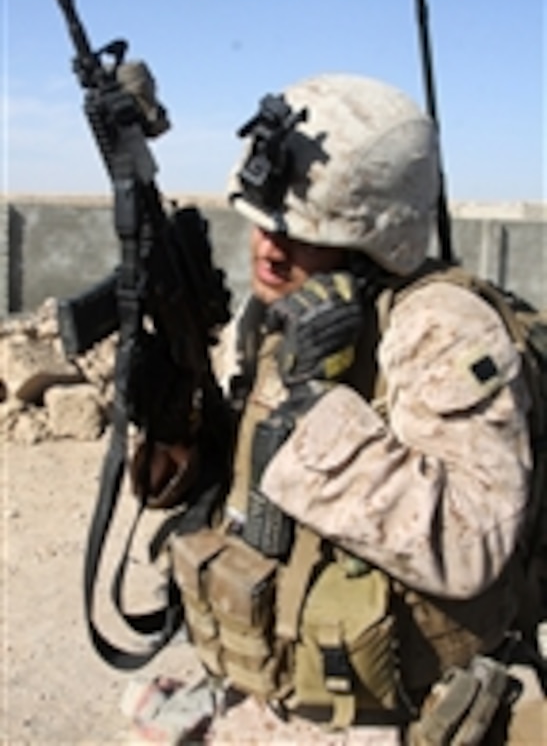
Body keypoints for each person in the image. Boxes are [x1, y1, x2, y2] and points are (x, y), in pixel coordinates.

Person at [130, 73, 542, 743]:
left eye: (299, 231)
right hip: (283, 676)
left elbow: (472, 546)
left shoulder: (439, 327)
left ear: (374, 238)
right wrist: (175, 418)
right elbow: (243, 481)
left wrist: (311, 416)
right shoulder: (282, 310)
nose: (268, 248)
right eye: (262, 223)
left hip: (396, 713)